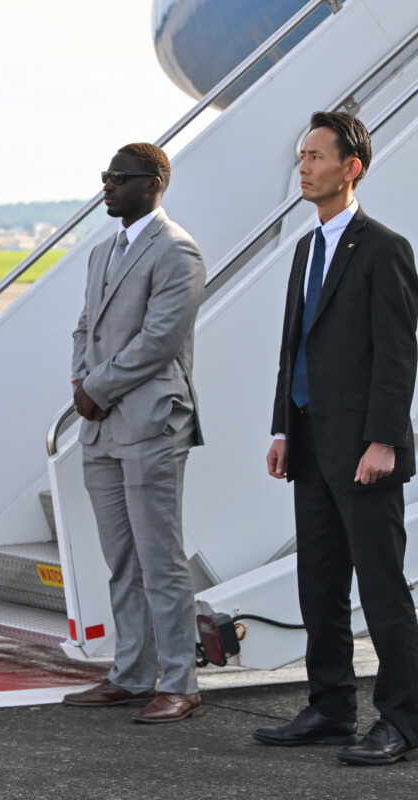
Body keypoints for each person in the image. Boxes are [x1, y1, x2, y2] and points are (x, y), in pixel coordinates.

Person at [255, 111, 418, 766]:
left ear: (351, 167)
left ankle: (403, 721)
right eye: (301, 156)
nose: (304, 167)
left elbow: (397, 356)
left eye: (316, 157)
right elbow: (294, 347)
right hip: (310, 441)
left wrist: (384, 440)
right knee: (318, 583)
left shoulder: (384, 248)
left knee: (380, 587)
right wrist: (281, 426)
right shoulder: (306, 247)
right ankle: (330, 707)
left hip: (364, 450)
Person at [61, 143, 206, 723]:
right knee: (121, 559)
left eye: (119, 178)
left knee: (159, 557)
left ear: (154, 183)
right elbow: (84, 326)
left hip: (149, 422)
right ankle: (131, 672)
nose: (107, 186)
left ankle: (180, 682)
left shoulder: (177, 250)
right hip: (101, 428)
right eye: (105, 176)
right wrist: (80, 377)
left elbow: (161, 338)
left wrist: (97, 387)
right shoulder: (103, 252)